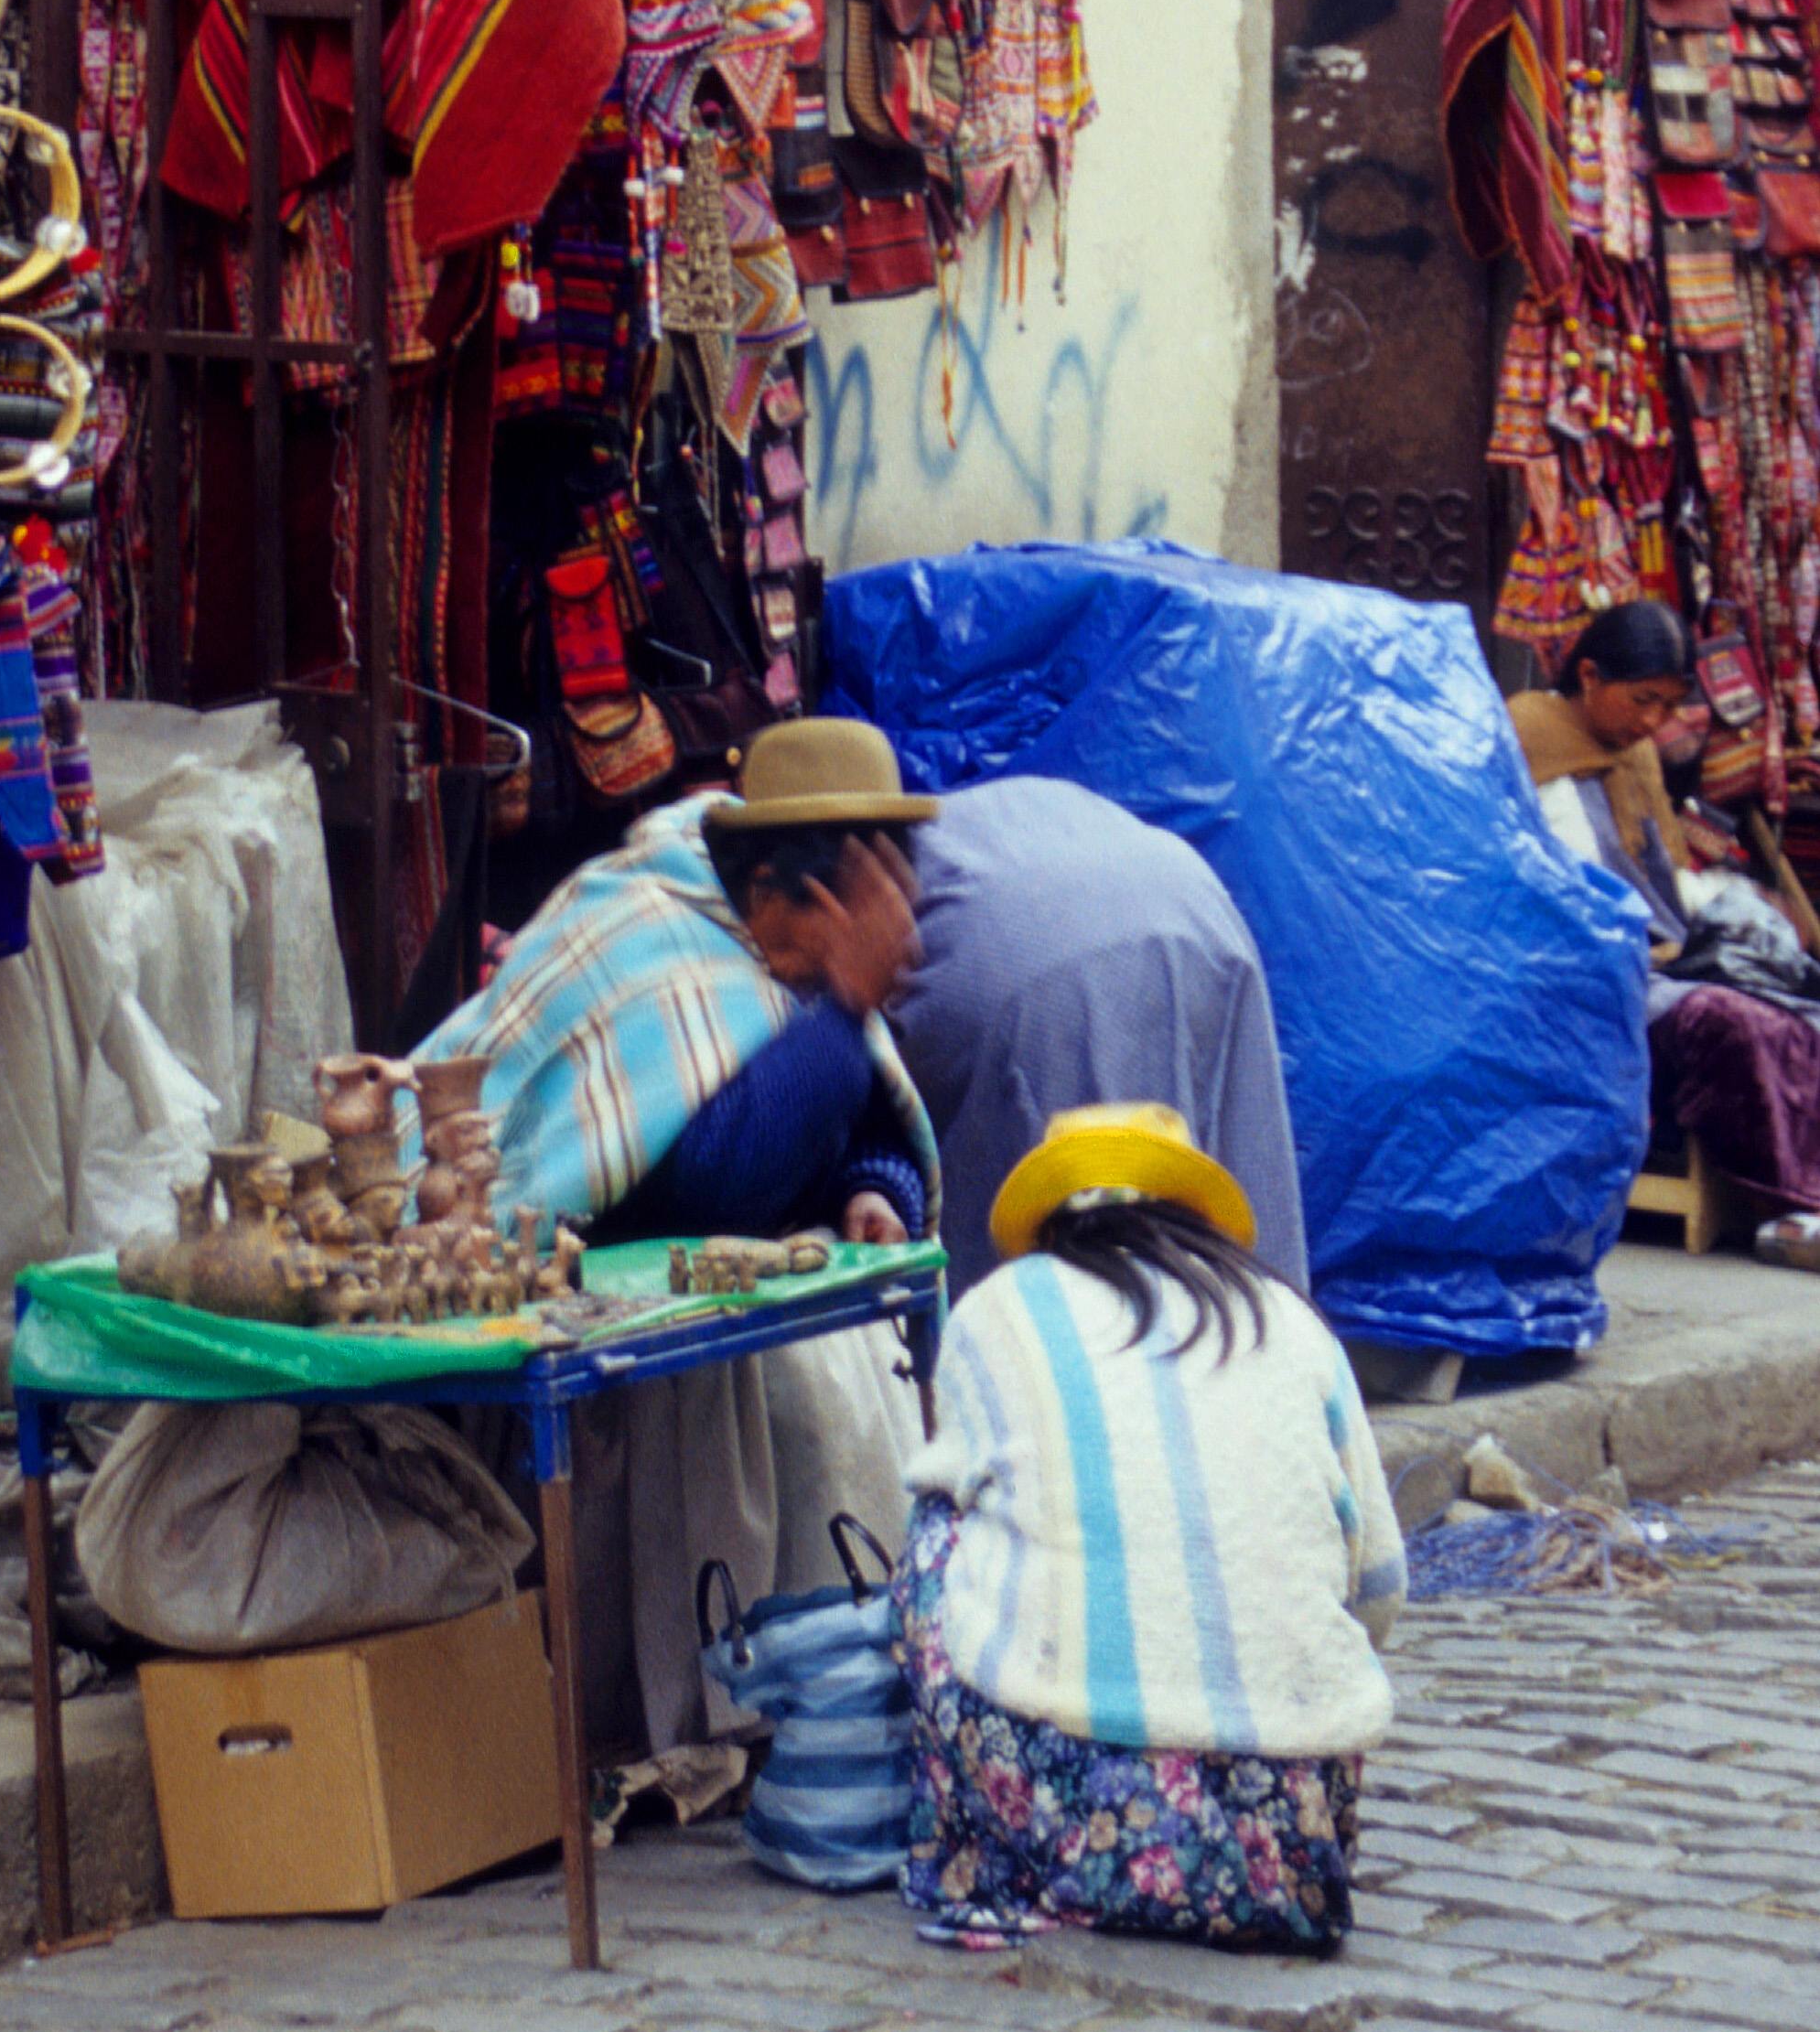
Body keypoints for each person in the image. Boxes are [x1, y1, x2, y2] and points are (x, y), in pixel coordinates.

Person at [409, 723, 942, 1758]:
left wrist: (872, 1186)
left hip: (700, 1329)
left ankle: (779, 1697)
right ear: (784, 894)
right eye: (851, 917)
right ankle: (628, 1726)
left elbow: (865, 1113)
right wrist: (840, 1006)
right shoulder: (647, 931)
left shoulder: (794, 965)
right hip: (574, 1315)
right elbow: (715, 1173)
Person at [896, 1102, 1402, 1957]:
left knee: (936, 1524)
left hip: (1060, 1794)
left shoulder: (999, 1309)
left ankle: (979, 1849)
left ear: (1054, 1224)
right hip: (1291, 1835)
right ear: (1187, 1217)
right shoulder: (1289, 1318)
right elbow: (1380, 1588)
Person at [890, 776, 1310, 1298]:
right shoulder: (955, 826)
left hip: (1036, 965)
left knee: (1063, 1260)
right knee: (1239, 1215)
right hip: (1196, 908)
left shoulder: (848, 902)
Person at [1510, 601, 1820, 1267]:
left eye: (1667, 706)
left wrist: (1735, 911)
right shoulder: (1526, 737)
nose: (1652, 722)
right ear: (1589, 676)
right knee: (1726, 1017)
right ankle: (1794, 1203)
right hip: (1569, 972)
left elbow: (1663, 880)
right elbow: (1544, 884)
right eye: (1643, 700)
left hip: (1656, 958)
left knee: (1794, 1000)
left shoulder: (1634, 755)